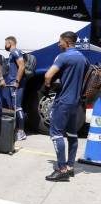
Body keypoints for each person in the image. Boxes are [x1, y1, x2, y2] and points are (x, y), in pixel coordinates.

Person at [44, 31, 88, 182]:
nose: (58, 44)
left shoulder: (63, 56)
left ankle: (61, 169)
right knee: (72, 134)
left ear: (67, 42)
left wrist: (48, 86)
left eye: (60, 41)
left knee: (56, 134)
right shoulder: (83, 58)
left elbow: (48, 75)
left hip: (63, 101)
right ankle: (70, 167)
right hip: (76, 102)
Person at [4, 36, 27, 141]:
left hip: (16, 84)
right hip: (12, 84)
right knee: (14, 107)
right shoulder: (12, 53)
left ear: (9, 42)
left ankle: (21, 132)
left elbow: (22, 66)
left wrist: (17, 81)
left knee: (18, 107)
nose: (4, 45)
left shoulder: (15, 52)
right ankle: (17, 130)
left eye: (5, 43)